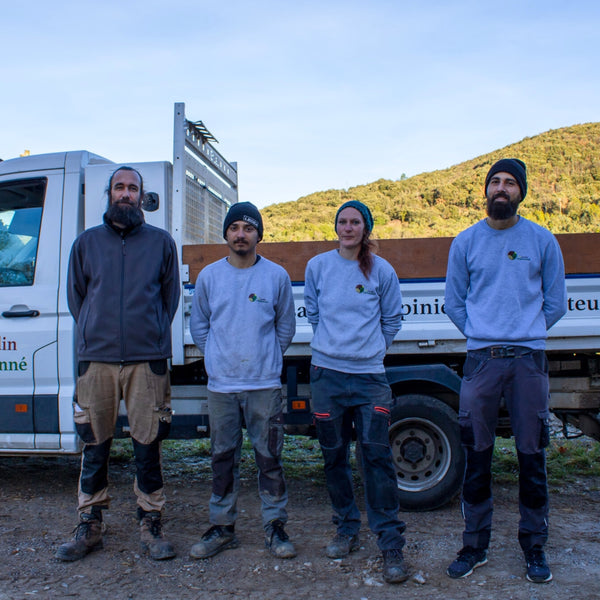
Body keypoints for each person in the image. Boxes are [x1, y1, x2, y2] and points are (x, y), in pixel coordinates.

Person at [444, 158, 567, 583]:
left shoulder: (542, 240)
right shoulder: (465, 242)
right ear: (486, 190)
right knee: (477, 456)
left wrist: (526, 333)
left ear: (522, 191)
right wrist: (483, 335)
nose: (501, 188)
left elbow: (556, 303)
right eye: (494, 181)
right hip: (481, 362)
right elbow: (453, 304)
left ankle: (534, 547)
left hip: (529, 361)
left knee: (532, 457)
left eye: (510, 182)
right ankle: (474, 545)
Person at [56, 166, 180, 562]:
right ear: (108, 194)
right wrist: (98, 331)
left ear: (141, 197)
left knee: (148, 444)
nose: (126, 194)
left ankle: (151, 522)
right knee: (94, 444)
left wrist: (151, 334)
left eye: (132, 188)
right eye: (119, 187)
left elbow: (169, 299)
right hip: (97, 361)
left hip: (148, 361)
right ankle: (90, 523)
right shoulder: (86, 243)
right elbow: (78, 300)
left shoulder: (161, 244)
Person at [304, 200, 409, 584]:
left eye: (355, 222)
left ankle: (390, 542)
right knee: (333, 458)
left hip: (369, 379)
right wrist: (335, 348)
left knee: (376, 460)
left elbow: (392, 318)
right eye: (342, 222)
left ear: (366, 228)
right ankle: (346, 528)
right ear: (336, 227)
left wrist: (371, 351)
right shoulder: (318, 267)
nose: (348, 228)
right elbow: (313, 314)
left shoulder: (382, 270)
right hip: (327, 376)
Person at [189, 202, 297, 559]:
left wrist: (266, 359)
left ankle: (275, 527)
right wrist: (218, 359)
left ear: (258, 235)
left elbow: (285, 326)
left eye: (248, 228)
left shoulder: (276, 277)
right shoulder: (209, 277)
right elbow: (199, 325)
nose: (240, 234)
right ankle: (222, 527)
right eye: (234, 227)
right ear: (226, 233)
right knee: (222, 458)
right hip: (222, 386)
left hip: (264, 385)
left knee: (270, 458)